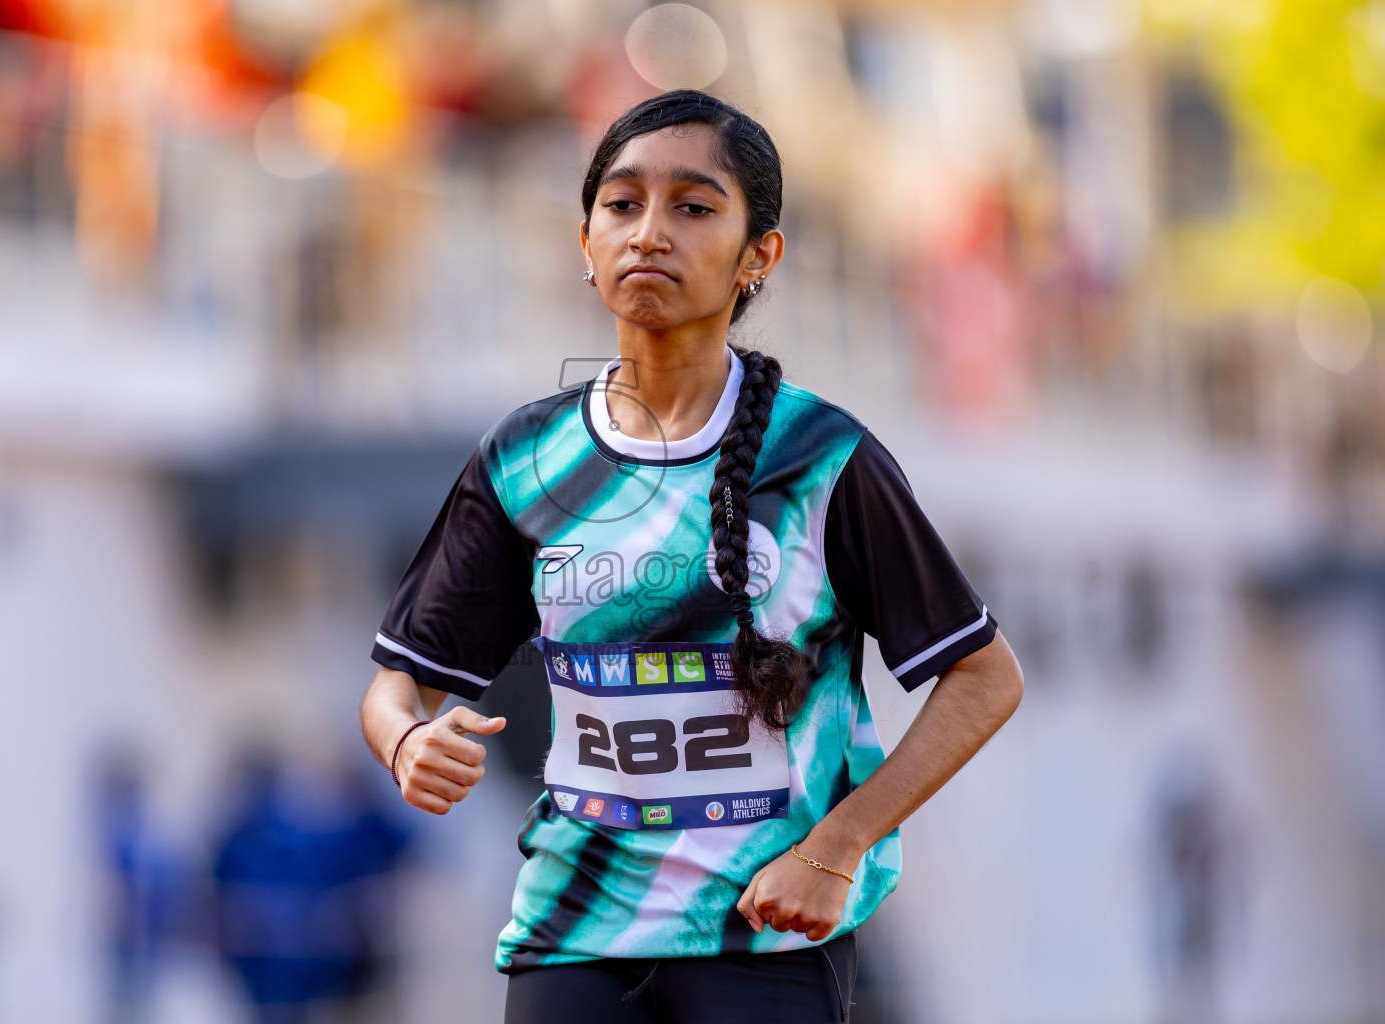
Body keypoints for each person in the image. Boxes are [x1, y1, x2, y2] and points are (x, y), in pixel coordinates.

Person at [359, 89, 1024, 1024]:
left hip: (762, 938)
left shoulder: (824, 460)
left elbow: (984, 678)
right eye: (622, 205)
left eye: (695, 207)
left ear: (761, 256)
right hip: (572, 937)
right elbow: (397, 685)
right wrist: (406, 742)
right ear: (584, 243)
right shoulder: (523, 459)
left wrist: (838, 848)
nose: (650, 232)